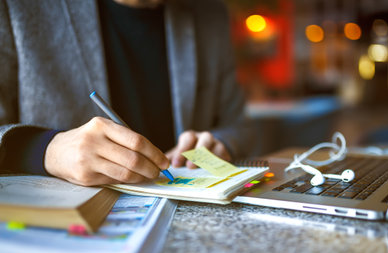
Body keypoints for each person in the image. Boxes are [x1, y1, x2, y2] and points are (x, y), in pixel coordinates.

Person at [0, 0, 252, 186]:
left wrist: (220, 142)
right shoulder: (17, 7)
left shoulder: (209, 13)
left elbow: (240, 125)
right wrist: (47, 150)